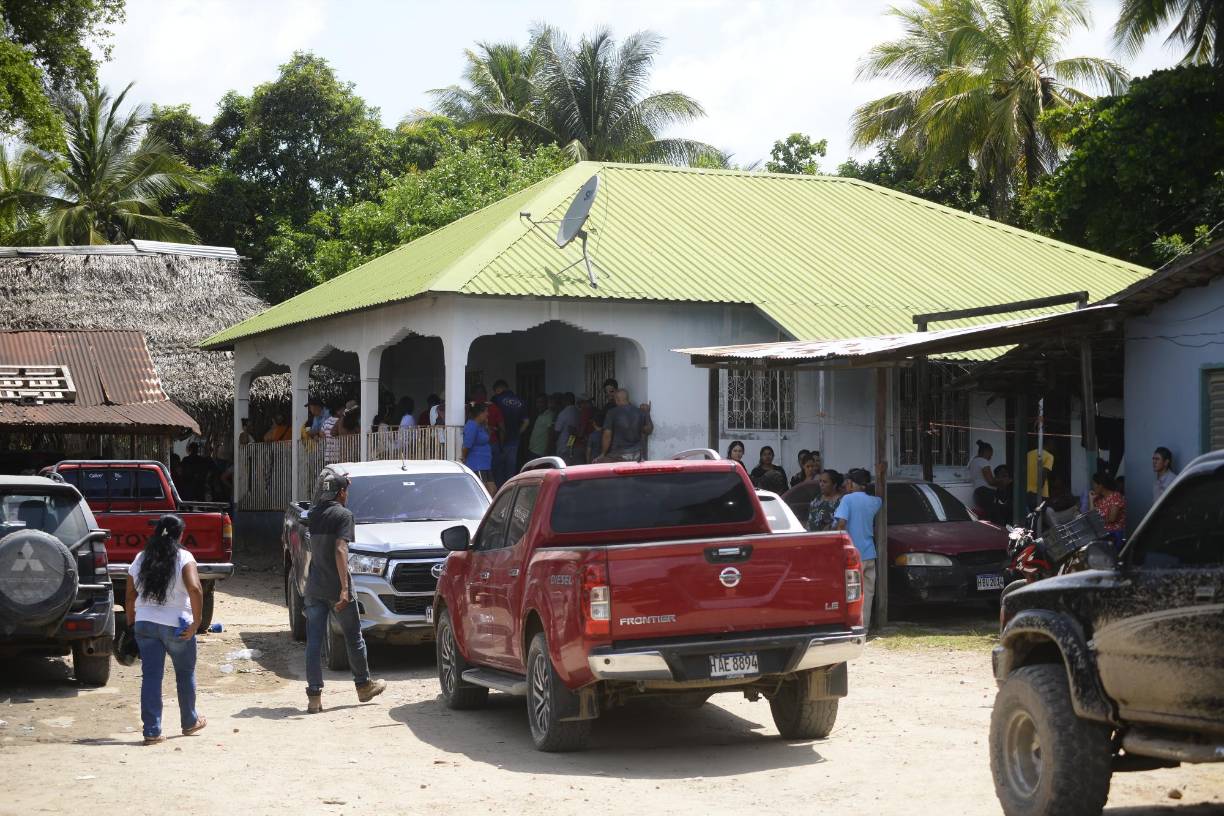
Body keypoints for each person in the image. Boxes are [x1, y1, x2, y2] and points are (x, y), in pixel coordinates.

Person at [303, 473, 387, 713]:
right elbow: (341, 550)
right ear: (341, 493)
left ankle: (314, 697)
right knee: (353, 637)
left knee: (314, 642)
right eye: (345, 491)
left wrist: (337, 480)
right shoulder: (344, 515)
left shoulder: (314, 515)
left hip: (314, 588)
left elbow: (320, 495)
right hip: (336, 588)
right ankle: (363, 686)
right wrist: (344, 589)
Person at [125, 514, 207, 745]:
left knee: (151, 676)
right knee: (185, 673)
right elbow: (195, 588)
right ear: (179, 535)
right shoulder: (184, 557)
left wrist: (132, 624)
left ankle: (152, 731)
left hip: (145, 624)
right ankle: (190, 721)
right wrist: (197, 622)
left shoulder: (141, 558)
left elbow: (130, 595)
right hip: (177, 626)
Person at [833, 468, 883, 630]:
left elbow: (841, 523)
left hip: (853, 555)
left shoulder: (847, 500)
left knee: (852, 593)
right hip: (869, 553)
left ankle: (853, 625)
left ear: (851, 483)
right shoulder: (875, 502)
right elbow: (879, 499)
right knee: (868, 593)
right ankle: (865, 627)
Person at [491, 380, 528, 485]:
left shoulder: (496, 399)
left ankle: (499, 494)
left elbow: (493, 418)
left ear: (498, 389)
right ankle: (509, 492)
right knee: (510, 470)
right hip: (514, 441)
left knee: (498, 470)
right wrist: (517, 433)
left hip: (499, 440)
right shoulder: (520, 400)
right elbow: (526, 422)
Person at [600, 388, 653, 462]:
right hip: (637, 454)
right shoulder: (640, 412)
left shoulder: (612, 413)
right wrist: (647, 413)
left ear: (617, 399)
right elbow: (649, 430)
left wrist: (603, 454)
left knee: (599, 464)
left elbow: (607, 436)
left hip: (619, 454)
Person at [463, 403, 495, 493]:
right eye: (486, 412)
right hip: (477, 464)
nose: (487, 414)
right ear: (480, 414)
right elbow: (467, 445)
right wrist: (464, 458)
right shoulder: (472, 426)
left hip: (485, 464)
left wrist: (486, 425)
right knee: (483, 491)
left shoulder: (480, 426)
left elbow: (486, 438)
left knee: (492, 490)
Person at [1090, 472, 1126, 546]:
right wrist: (1091, 500)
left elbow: (1112, 518)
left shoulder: (1115, 496)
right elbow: (1092, 517)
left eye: (1094, 484)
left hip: (1114, 534)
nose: (1092, 487)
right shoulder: (1098, 499)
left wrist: (1097, 520)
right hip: (1101, 534)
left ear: (1100, 485)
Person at [525, 393, 555, 462]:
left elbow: (551, 434)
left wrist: (547, 450)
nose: (539, 405)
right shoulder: (540, 415)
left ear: (546, 403)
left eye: (541, 402)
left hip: (540, 452)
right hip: (533, 449)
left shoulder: (549, 415)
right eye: (537, 402)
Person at [553, 392, 580, 463]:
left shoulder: (563, 413)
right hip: (573, 445)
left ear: (566, 401)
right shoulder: (578, 412)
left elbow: (557, 431)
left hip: (563, 447)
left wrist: (552, 443)